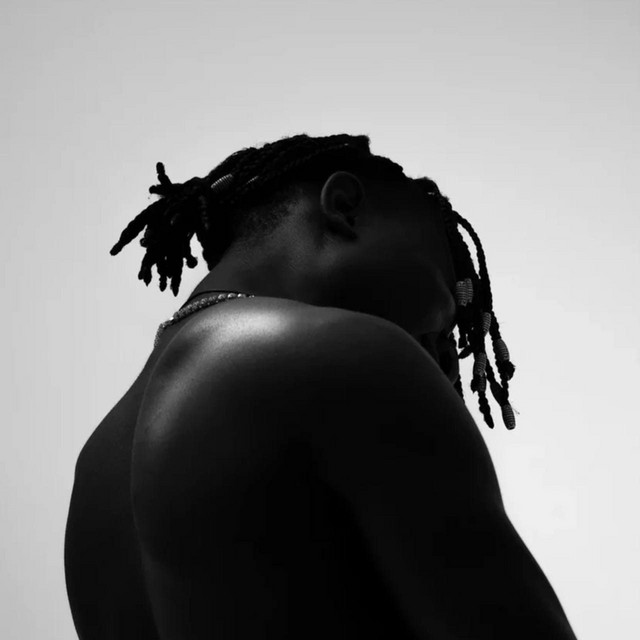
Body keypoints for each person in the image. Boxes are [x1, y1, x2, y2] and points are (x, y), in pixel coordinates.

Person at [64, 133, 578, 639]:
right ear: (344, 207)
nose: (446, 338)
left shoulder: (96, 467)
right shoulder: (348, 355)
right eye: (450, 285)